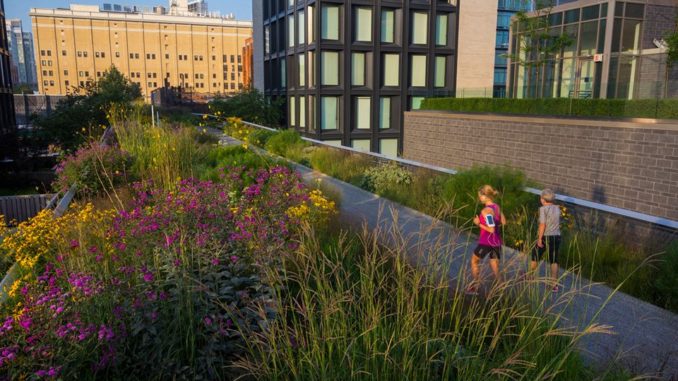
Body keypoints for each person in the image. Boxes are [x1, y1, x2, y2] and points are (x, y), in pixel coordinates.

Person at [466, 185, 506, 295]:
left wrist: (479, 224)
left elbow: (491, 229)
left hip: (486, 242)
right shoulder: (496, 207)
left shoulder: (486, 211)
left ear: (485, 196)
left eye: (480, 196)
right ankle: (502, 288)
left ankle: (475, 287)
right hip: (496, 242)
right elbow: (504, 222)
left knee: (474, 261)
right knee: (495, 266)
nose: (479, 198)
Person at [531, 188, 562, 293]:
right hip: (557, 236)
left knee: (535, 254)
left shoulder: (543, 209)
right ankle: (554, 285)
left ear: (543, 200)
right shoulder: (557, 208)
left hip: (546, 236)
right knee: (554, 260)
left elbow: (542, 224)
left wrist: (540, 238)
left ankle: (530, 276)